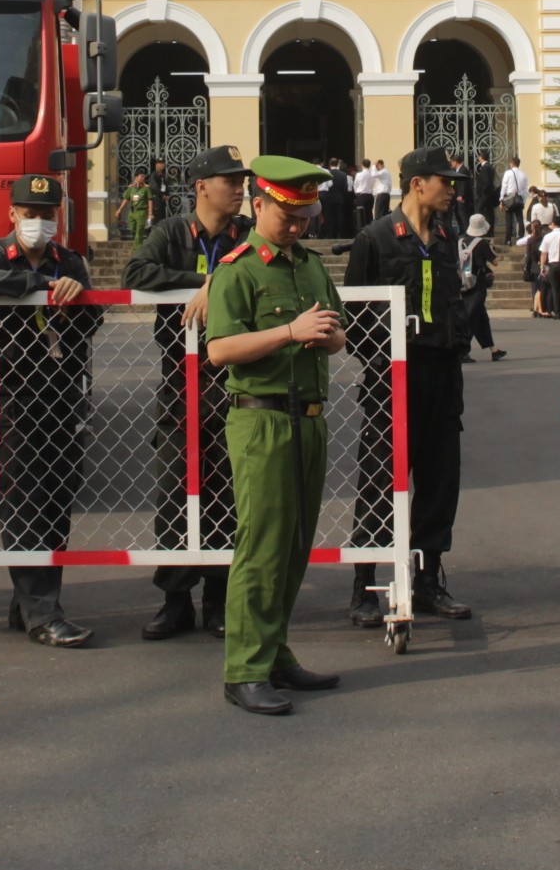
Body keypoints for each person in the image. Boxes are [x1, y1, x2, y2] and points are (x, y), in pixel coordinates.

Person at [206, 156, 348, 714]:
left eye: (305, 215)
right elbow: (219, 350)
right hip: (260, 417)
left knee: (294, 546)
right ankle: (244, 669)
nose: (297, 225)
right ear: (258, 204)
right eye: (286, 214)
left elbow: (337, 332)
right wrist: (289, 331)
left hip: (310, 417)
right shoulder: (238, 270)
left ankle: (275, 653)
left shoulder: (310, 266)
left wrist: (328, 339)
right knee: (261, 547)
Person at [124, 145, 252, 642]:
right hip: (182, 377)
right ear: (202, 186)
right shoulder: (171, 232)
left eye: (241, 181)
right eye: (229, 181)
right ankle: (174, 598)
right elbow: (136, 273)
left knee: (228, 489)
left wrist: (221, 281)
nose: (240, 189)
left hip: (237, 376)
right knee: (177, 488)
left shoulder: (246, 236)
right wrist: (202, 279)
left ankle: (219, 599)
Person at [0, 174, 100, 646]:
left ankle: (30, 603)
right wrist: (43, 285)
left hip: (60, 393)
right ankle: (43, 613)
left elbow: (93, 316)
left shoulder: (71, 261)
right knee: (23, 498)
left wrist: (74, 297)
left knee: (58, 496)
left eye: (48, 215)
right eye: (31, 214)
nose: (39, 223)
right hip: (11, 394)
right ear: (13, 215)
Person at [344, 146, 475, 624]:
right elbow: (353, 317)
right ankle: (364, 586)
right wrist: (384, 358)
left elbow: (454, 298)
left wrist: (456, 341)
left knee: (441, 482)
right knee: (380, 481)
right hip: (392, 380)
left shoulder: (446, 235)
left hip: (443, 375)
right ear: (418, 183)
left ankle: (427, 579)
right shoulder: (375, 237)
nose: (452, 189)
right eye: (445, 181)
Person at [459, 214, 502, 361]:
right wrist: (493, 250)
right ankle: (463, 350)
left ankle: (493, 349)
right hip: (477, 284)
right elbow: (495, 261)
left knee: (481, 318)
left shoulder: (460, 242)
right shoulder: (482, 243)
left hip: (463, 283)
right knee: (471, 317)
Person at [536, 218, 560, 318]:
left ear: (553, 224)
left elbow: (544, 253)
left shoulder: (548, 236)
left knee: (555, 289)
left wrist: (542, 266)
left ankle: (557, 311)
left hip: (553, 264)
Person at [119, 169, 159, 244]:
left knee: (139, 232)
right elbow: (126, 199)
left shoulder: (147, 188)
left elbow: (150, 201)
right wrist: (119, 209)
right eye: (141, 176)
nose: (143, 178)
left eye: (143, 177)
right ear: (136, 178)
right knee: (132, 229)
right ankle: (138, 244)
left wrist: (150, 213)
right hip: (132, 212)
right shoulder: (131, 188)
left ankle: (137, 250)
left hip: (142, 212)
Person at [499, 155, 529, 226]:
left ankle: (508, 236)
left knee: (509, 219)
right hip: (519, 198)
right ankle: (521, 235)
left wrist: (501, 200)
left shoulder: (508, 173)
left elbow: (504, 187)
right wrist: (524, 201)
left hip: (509, 198)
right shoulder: (523, 175)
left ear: (512, 163)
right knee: (520, 218)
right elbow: (525, 190)